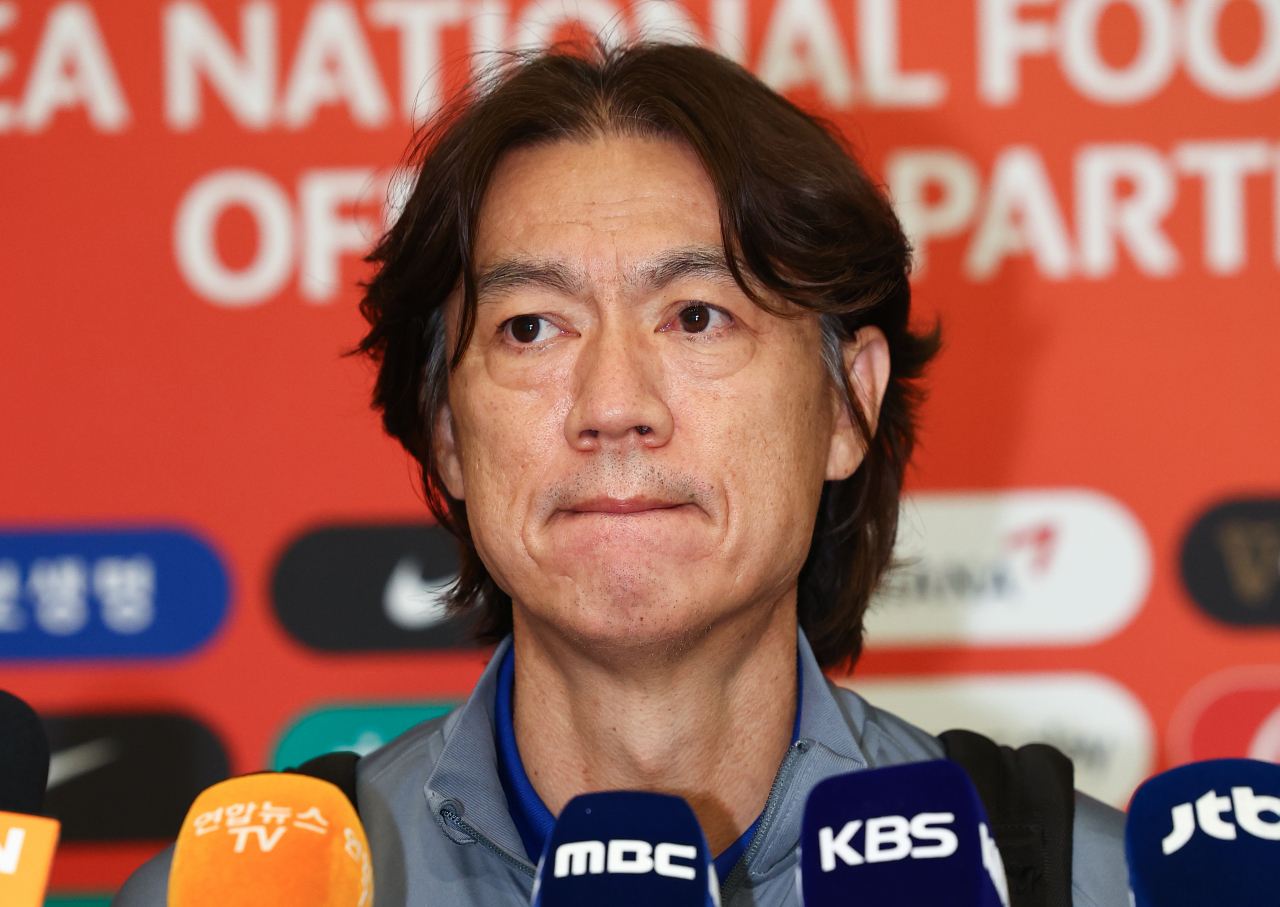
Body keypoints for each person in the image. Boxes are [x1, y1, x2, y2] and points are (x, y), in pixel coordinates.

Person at [114, 41, 1127, 907]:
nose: (611, 406)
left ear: (845, 405)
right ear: (448, 435)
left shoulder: (1082, 882)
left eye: (695, 316)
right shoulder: (255, 888)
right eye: (530, 328)